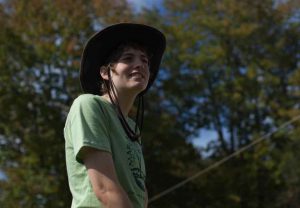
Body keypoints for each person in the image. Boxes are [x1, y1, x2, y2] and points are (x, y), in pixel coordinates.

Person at [64, 23, 166, 208]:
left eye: (145, 61)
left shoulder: (132, 128)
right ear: (105, 72)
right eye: (128, 58)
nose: (140, 65)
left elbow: (139, 191)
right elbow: (105, 188)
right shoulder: (89, 105)